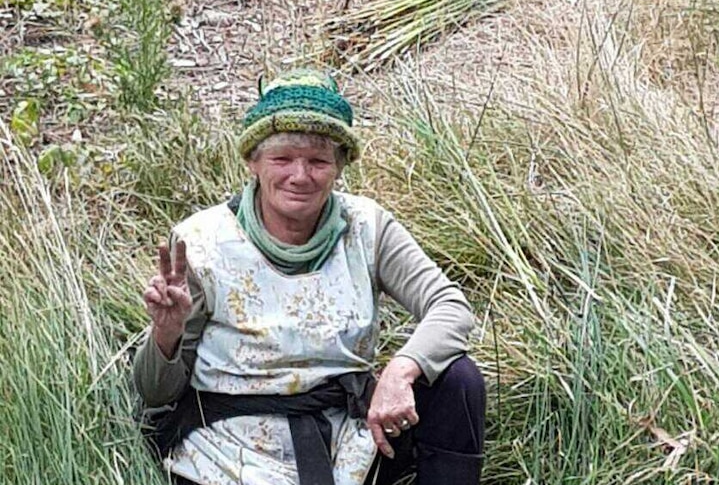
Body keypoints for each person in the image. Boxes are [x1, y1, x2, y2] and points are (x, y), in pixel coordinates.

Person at [133, 69, 486, 485]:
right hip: (230, 451)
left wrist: (402, 370)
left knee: (458, 379)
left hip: (350, 441)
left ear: (339, 166)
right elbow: (156, 391)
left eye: (318, 160)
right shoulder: (202, 241)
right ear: (252, 162)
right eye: (282, 159)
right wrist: (167, 335)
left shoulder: (367, 227)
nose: (300, 176)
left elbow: (450, 306)